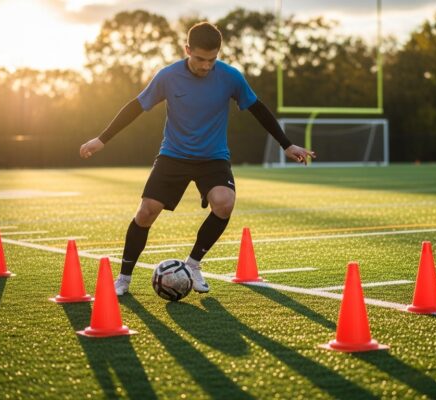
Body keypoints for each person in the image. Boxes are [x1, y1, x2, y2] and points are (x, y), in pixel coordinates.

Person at [79, 22, 315, 295]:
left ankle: (193, 264)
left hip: (213, 158)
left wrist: (286, 144)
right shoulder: (168, 76)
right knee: (146, 213)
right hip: (173, 155)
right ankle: (124, 278)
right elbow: (136, 106)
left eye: (212, 60)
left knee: (224, 204)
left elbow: (258, 109)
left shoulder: (230, 77)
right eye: (200, 59)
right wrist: (102, 139)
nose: (206, 66)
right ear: (187, 49)